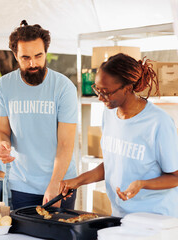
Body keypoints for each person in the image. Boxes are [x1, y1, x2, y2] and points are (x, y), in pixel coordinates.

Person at [59, 53, 178, 217]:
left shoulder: (159, 122)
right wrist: (77, 181)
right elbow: (112, 165)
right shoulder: (109, 114)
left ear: (128, 88)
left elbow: (175, 177)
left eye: (106, 92)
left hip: (155, 219)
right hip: (120, 215)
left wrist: (142, 184)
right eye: (97, 89)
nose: (100, 97)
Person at [0, 20, 78, 210]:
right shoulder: (3, 86)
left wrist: (55, 184)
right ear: (15, 55)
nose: (33, 63)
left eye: (39, 56)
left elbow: (66, 143)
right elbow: (0, 130)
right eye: (25, 57)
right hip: (21, 184)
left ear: (46, 52)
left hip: (62, 182)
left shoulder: (64, 87)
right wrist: (2, 145)